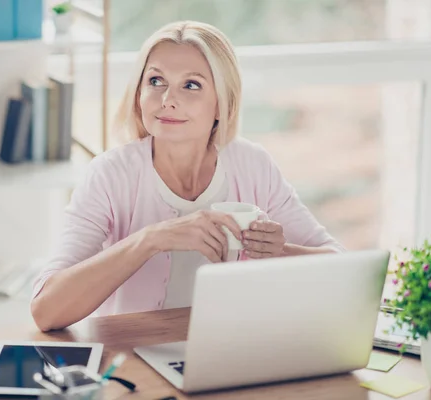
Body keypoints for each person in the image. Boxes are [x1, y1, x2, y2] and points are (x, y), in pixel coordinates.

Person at [31, 20, 345, 332]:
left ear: (222, 104)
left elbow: (342, 269)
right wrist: (150, 239)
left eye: (191, 85)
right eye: (155, 81)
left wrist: (280, 253)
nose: (167, 99)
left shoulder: (253, 165)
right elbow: (46, 310)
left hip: (237, 352)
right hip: (136, 359)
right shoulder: (110, 174)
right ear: (138, 92)